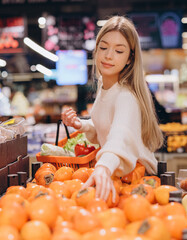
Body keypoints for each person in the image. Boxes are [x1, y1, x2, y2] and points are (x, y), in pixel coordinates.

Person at [61, 16, 163, 202]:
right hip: (119, 172)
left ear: (130, 59)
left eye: (118, 50)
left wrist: (104, 166)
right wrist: (81, 125)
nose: (108, 55)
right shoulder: (105, 85)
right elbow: (108, 125)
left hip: (137, 182)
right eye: (104, 47)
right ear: (96, 49)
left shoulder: (126, 96)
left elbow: (120, 137)